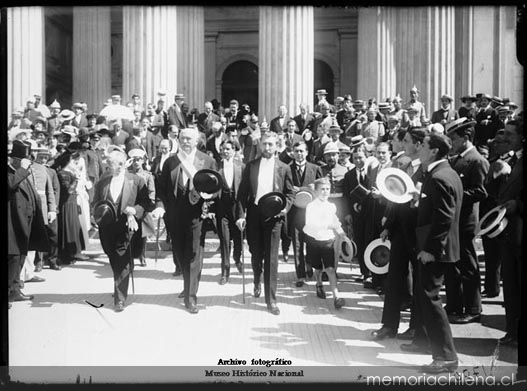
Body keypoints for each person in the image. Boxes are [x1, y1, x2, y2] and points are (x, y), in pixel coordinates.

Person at [404, 132, 462, 373]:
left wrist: (429, 249)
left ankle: (446, 357)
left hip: (434, 249)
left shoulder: (439, 176)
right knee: (428, 298)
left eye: (424, 146)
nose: (420, 149)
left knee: (431, 299)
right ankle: (439, 351)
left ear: (435, 150)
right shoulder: (445, 173)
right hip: (438, 246)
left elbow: (444, 218)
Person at [371, 127, 427, 341]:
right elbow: (395, 198)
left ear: (419, 144)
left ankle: (415, 327)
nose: (403, 144)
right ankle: (388, 325)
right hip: (399, 231)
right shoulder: (401, 165)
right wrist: (388, 225)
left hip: (419, 232)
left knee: (419, 281)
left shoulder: (427, 169)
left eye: (407, 140)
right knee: (394, 279)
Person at [157, 127, 217, 313]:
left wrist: (209, 199)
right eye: (182, 138)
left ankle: (191, 298)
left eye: (189, 139)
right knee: (180, 253)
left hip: (196, 214)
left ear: (197, 141)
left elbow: (217, 188)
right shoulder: (171, 162)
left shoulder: (207, 160)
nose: (185, 142)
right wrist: (160, 206)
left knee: (193, 254)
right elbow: (161, 188)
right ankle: (187, 285)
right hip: (174, 214)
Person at [236, 132, 295, 315]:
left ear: (277, 146)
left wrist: (286, 208)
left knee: (271, 257)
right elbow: (242, 193)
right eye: (264, 144)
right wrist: (241, 215)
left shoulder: (284, 168)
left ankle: (271, 300)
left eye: (271, 144)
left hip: (274, 216)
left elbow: (290, 193)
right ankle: (256, 280)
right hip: (254, 214)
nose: (267, 148)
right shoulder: (251, 166)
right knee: (256, 253)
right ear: (260, 145)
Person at [92, 149, 154, 312]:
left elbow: (146, 204)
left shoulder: (136, 180)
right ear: (109, 165)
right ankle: (119, 284)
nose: (117, 168)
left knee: (122, 257)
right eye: (113, 164)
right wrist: (96, 215)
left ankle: (120, 298)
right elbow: (96, 202)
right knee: (113, 257)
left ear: (124, 163)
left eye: (120, 164)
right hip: (107, 228)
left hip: (127, 227)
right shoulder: (103, 181)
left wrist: (134, 210)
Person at [445, 118, 489, 324]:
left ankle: (473, 308)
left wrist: (455, 194)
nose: (450, 142)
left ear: (466, 137)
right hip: (454, 220)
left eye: (453, 138)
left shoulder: (477, 160)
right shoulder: (455, 159)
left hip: (466, 222)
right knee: (453, 264)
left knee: (469, 266)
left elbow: (481, 192)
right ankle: (454, 305)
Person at [8, 140, 51, 304]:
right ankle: (11, 291)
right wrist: (23, 169)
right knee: (13, 259)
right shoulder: (15, 172)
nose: (28, 164)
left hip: (24, 222)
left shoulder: (22, 172)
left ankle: (15, 289)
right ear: (16, 160)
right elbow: (11, 184)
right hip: (13, 223)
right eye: (24, 161)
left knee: (20, 257)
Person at [496, 120, 523, 346]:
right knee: (511, 285)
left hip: (520, 232)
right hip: (509, 231)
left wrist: (518, 204)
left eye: (510, 134)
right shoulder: (511, 160)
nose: (505, 138)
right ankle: (512, 330)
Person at [303, 177, 347, 309]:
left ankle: (336, 296)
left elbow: (335, 220)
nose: (325, 192)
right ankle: (319, 283)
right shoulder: (311, 206)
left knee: (330, 269)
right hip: (313, 239)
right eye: (322, 189)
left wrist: (341, 231)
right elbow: (310, 223)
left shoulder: (331, 206)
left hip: (328, 240)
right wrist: (329, 225)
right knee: (318, 267)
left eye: (327, 189)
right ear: (316, 191)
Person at [286, 141, 323, 287]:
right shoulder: (287, 169)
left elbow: (323, 190)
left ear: (307, 152)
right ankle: (300, 275)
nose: (299, 154)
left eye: (302, 151)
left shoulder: (315, 168)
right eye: (296, 151)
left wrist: (311, 189)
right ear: (293, 153)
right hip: (295, 213)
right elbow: (285, 189)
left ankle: (310, 263)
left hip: (312, 213)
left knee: (313, 242)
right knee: (297, 244)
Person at [215, 140, 244, 284]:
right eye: (223, 149)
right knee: (225, 240)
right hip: (222, 208)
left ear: (233, 150)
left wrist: (242, 213)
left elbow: (245, 191)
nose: (225, 151)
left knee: (238, 239)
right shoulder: (216, 167)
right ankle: (225, 272)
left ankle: (237, 259)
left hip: (237, 208)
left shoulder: (241, 167)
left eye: (228, 149)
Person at [127, 148, 158, 267]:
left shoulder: (148, 175)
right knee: (130, 234)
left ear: (143, 161)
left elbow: (152, 192)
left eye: (138, 160)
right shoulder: (128, 175)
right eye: (134, 160)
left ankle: (142, 255)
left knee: (143, 233)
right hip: (130, 207)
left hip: (143, 207)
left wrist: (151, 206)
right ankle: (129, 257)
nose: (136, 162)